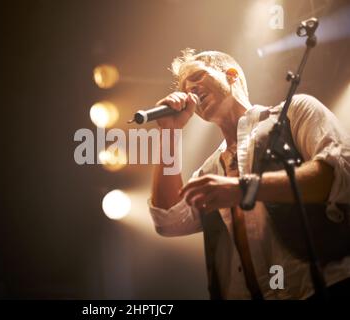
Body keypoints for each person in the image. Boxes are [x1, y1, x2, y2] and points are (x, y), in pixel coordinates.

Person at [148, 49, 350, 300]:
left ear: (231, 75)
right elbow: (168, 220)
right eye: (184, 87)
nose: (190, 89)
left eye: (198, 76)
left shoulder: (293, 112)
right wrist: (169, 131)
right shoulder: (209, 171)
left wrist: (243, 189)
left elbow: (340, 173)